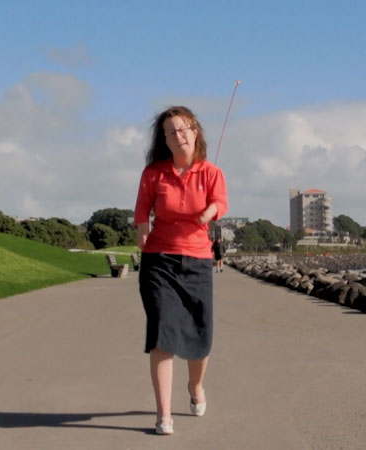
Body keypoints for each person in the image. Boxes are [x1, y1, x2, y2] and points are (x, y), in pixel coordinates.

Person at [134, 105, 228, 435]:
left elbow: (221, 202)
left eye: (185, 128)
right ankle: (163, 415)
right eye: (172, 131)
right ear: (165, 140)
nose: (180, 135)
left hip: (199, 261)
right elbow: (142, 208)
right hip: (159, 261)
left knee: (200, 336)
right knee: (162, 333)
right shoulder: (154, 173)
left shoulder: (211, 172)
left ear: (196, 131)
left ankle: (195, 387)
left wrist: (210, 212)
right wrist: (142, 228)